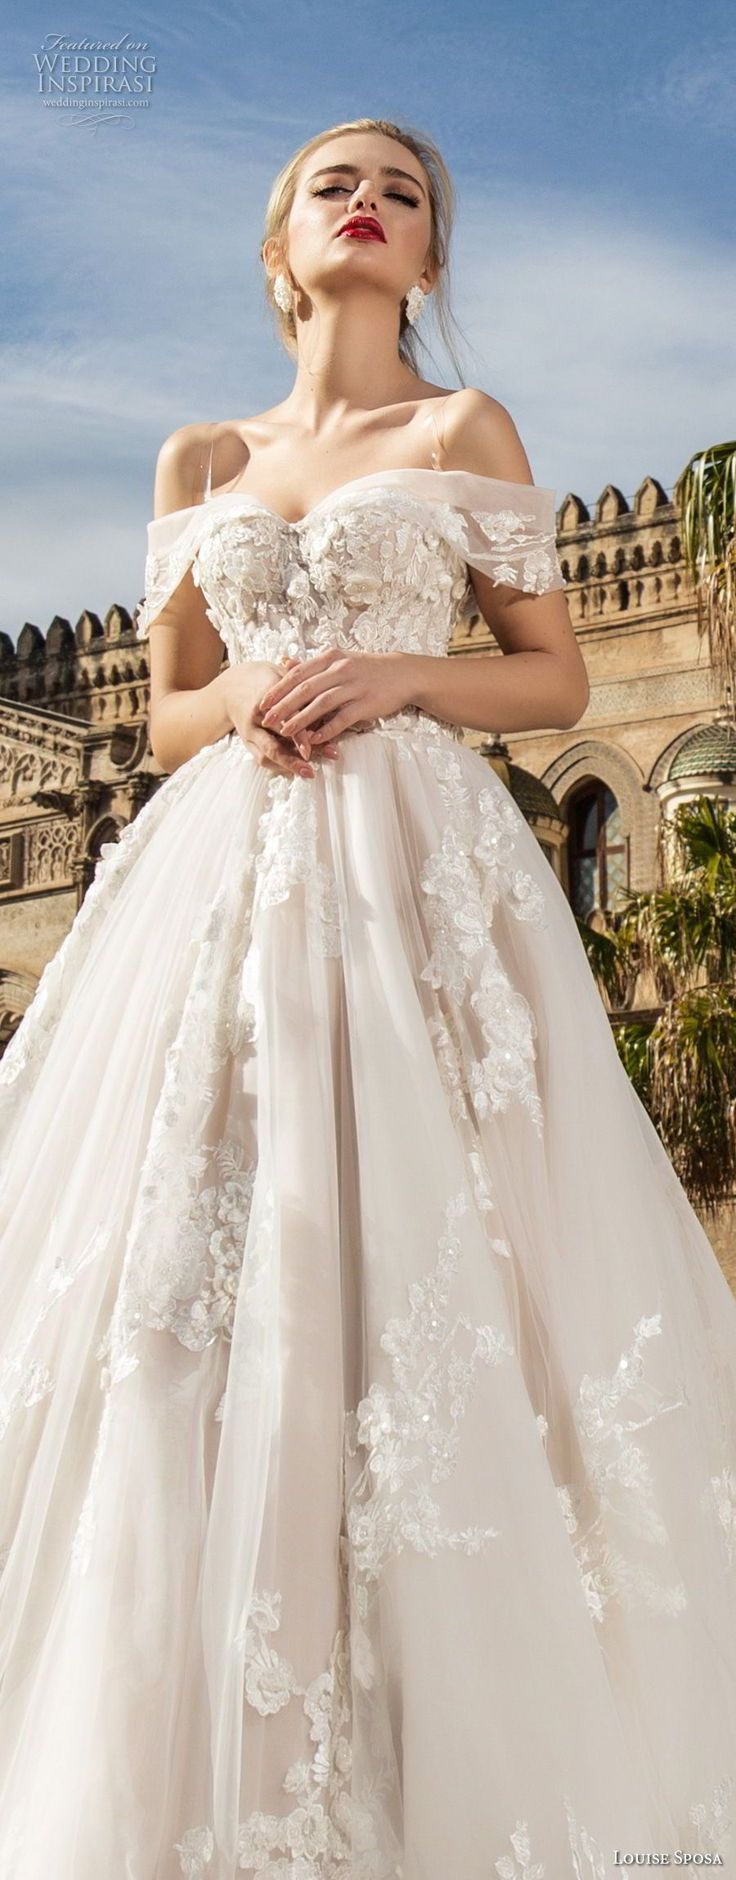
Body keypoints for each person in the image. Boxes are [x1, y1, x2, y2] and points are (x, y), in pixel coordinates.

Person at [0, 114, 735, 1880]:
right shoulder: (197, 457)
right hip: (226, 895)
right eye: (338, 180)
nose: (370, 200)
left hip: (411, 879)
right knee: (209, 1265)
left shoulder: (459, 433)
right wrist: (246, 704)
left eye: (404, 192)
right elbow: (161, 716)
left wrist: (397, 672)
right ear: (281, 246)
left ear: (427, 258)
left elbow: (551, 671)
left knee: (437, 1252)